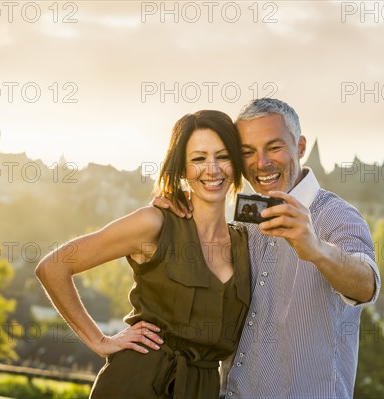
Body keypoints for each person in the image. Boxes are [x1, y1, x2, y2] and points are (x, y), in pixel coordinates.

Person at [156, 98, 381, 398]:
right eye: (248, 152)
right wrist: (174, 210)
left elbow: (367, 284)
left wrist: (315, 248)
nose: (261, 163)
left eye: (274, 147)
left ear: (300, 147)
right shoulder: (245, 219)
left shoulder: (336, 215)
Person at [35, 110, 252, 399]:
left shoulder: (246, 242)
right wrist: (99, 341)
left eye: (222, 156)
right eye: (198, 159)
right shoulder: (155, 223)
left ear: (236, 162)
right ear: (182, 169)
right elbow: (53, 266)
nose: (211, 169)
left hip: (203, 390)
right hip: (136, 383)